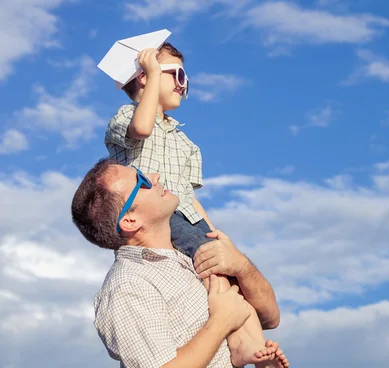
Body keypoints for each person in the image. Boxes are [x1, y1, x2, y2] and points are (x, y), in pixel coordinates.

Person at [103, 41, 284, 366]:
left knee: (229, 275)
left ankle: (250, 345)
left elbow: (188, 195)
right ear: (145, 76)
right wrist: (153, 72)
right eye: (177, 74)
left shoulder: (181, 138)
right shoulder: (127, 115)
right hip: (155, 212)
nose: (183, 85)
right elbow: (142, 129)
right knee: (216, 273)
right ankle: (244, 346)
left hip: (184, 214)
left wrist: (216, 234)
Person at [71, 159, 290, 368]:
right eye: (142, 181)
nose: (154, 176)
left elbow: (271, 318)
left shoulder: (189, 251)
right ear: (130, 220)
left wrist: (242, 266)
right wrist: (222, 320)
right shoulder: (126, 288)